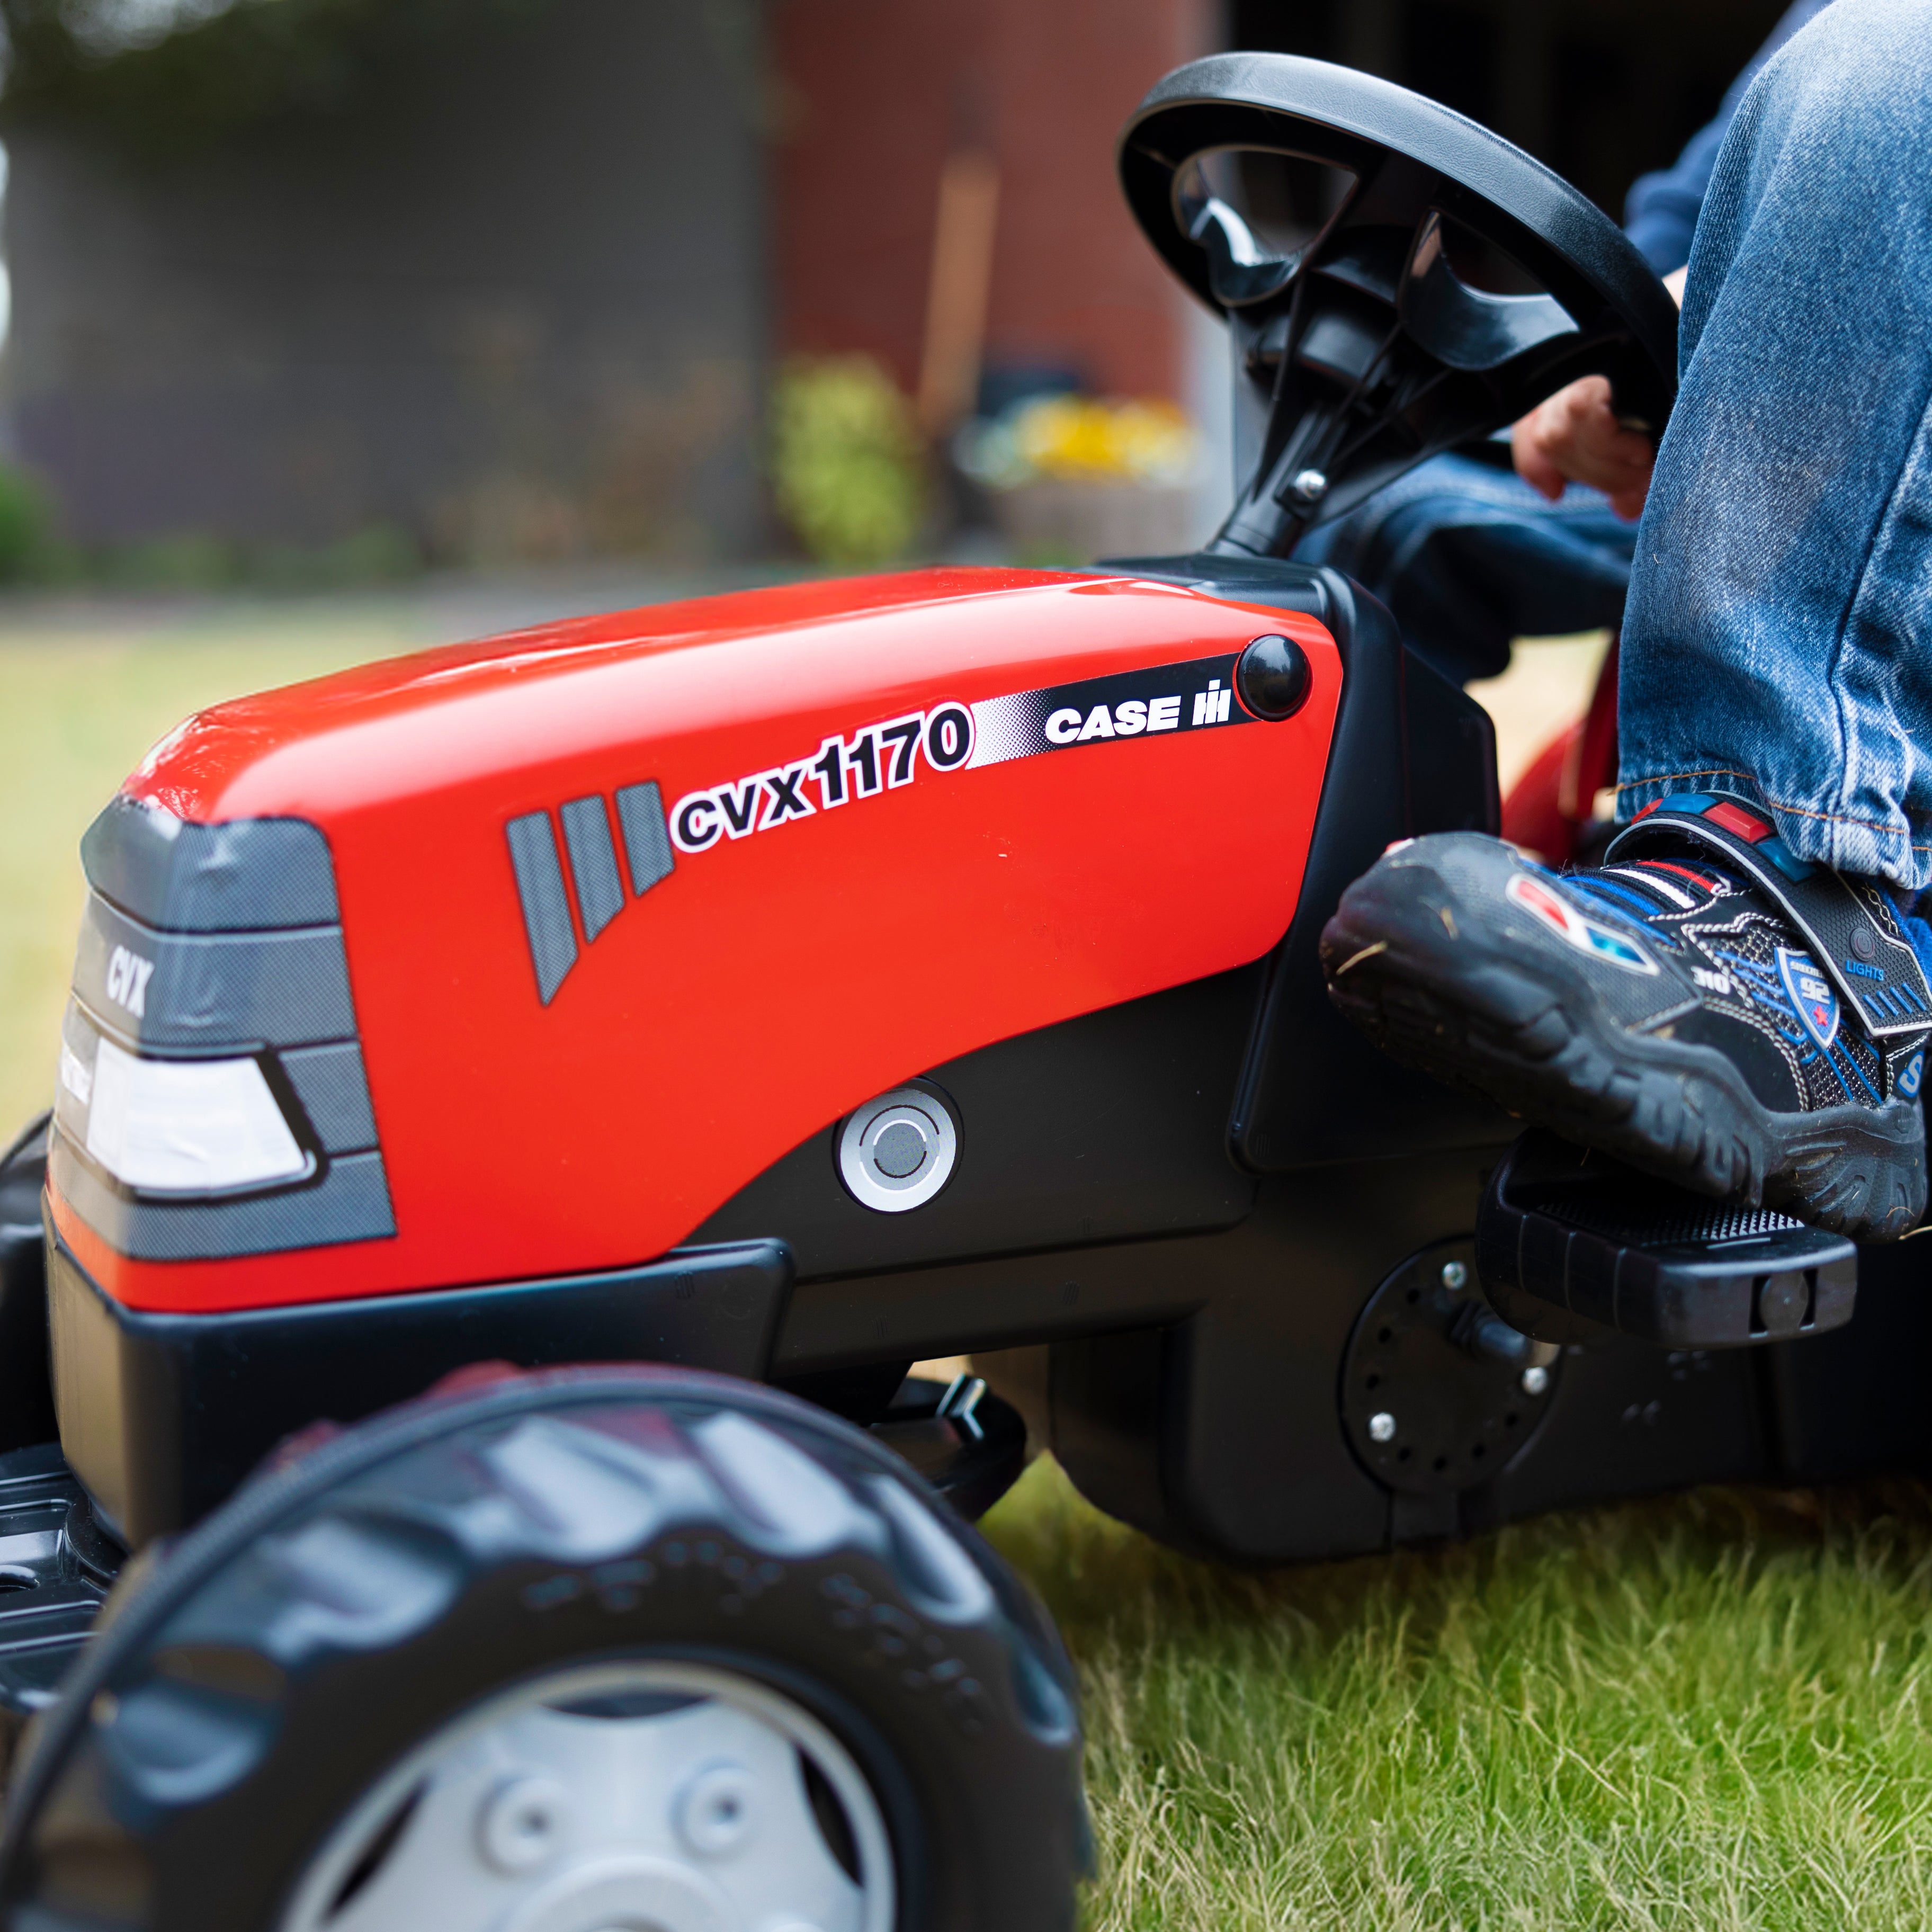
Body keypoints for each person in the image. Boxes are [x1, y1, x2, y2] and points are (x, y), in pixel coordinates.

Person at [1321, 0, 1932, 1243]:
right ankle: (1261, 940)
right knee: (1369, 524)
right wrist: (1621, 343)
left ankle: (1797, 943)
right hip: (1799, 454)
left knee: (1900, 53)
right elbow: (1683, 224)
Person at [1296, 0, 1833, 686]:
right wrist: (1589, 355)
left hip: (1871, 464)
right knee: (1355, 493)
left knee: (1402, 526)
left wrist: (1700, 305)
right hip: (1722, 449)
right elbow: (1696, 201)